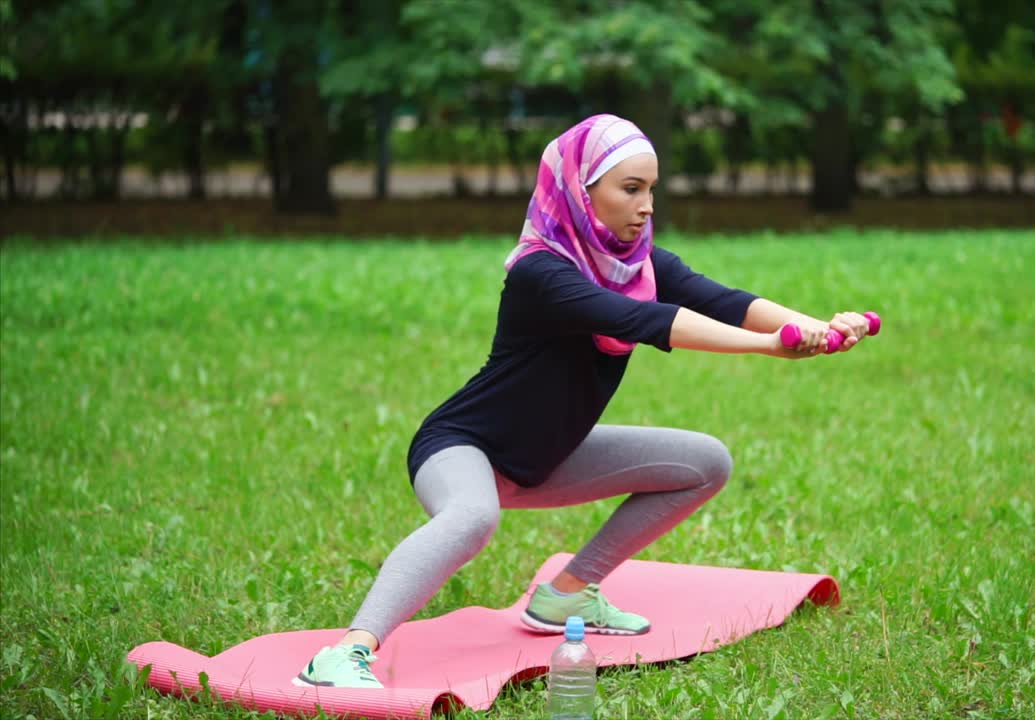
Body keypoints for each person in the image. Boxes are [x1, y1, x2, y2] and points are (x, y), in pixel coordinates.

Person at [294, 114, 872, 688]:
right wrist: (770, 347)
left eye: (651, 189)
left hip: (549, 455)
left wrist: (820, 326)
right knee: (473, 517)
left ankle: (565, 597)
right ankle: (346, 653)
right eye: (630, 189)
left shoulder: (641, 266)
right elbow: (644, 320)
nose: (647, 205)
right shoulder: (539, 273)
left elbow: (727, 301)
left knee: (705, 462)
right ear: (580, 189)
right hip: (464, 445)